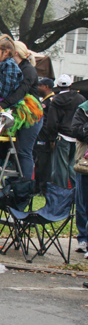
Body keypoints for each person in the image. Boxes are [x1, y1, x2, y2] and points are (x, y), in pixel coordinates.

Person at [0, 35, 42, 180]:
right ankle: (11, 183)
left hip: (30, 116)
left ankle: (24, 186)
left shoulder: (28, 70)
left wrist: (1, 104)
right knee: (12, 149)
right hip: (15, 113)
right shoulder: (9, 67)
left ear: (11, 52)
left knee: (23, 151)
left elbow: (20, 92)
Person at [43, 74, 85, 189]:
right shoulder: (80, 98)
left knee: (60, 167)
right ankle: (76, 191)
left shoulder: (56, 100)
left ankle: (61, 192)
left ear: (58, 86)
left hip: (62, 136)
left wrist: (51, 138)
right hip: (77, 137)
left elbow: (52, 122)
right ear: (71, 85)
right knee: (74, 167)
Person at [71, 99, 88, 255]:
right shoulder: (83, 110)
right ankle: (83, 238)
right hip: (84, 163)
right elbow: (76, 131)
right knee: (83, 203)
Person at [34, 78, 56, 192]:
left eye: (40, 85)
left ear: (46, 87)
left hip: (45, 138)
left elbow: (50, 122)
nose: (38, 88)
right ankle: (38, 186)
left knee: (44, 164)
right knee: (39, 163)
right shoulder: (45, 101)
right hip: (40, 136)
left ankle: (42, 188)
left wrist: (50, 138)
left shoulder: (51, 101)